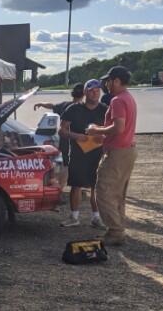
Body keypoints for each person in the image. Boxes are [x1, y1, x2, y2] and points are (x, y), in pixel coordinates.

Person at [86, 66, 138, 245]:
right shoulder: (128, 98)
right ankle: (117, 229)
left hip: (118, 152)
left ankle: (115, 231)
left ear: (116, 81)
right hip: (127, 150)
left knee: (104, 191)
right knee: (117, 193)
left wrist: (96, 129)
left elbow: (118, 128)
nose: (106, 85)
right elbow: (121, 129)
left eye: (108, 81)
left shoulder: (117, 100)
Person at [59, 79, 108, 228]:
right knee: (76, 185)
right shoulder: (73, 109)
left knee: (96, 186)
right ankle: (74, 217)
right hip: (78, 152)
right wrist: (76, 136)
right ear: (85, 92)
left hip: (98, 152)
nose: (95, 93)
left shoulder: (105, 109)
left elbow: (111, 130)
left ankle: (96, 218)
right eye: (92, 90)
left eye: (97, 91)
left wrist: (104, 137)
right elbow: (62, 130)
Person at [34, 83, 84, 185]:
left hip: (65, 140)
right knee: (78, 164)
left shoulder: (64, 105)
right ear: (84, 95)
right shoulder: (85, 108)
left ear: (72, 94)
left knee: (65, 164)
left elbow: (52, 105)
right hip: (80, 140)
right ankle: (77, 185)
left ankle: (63, 187)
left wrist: (41, 103)